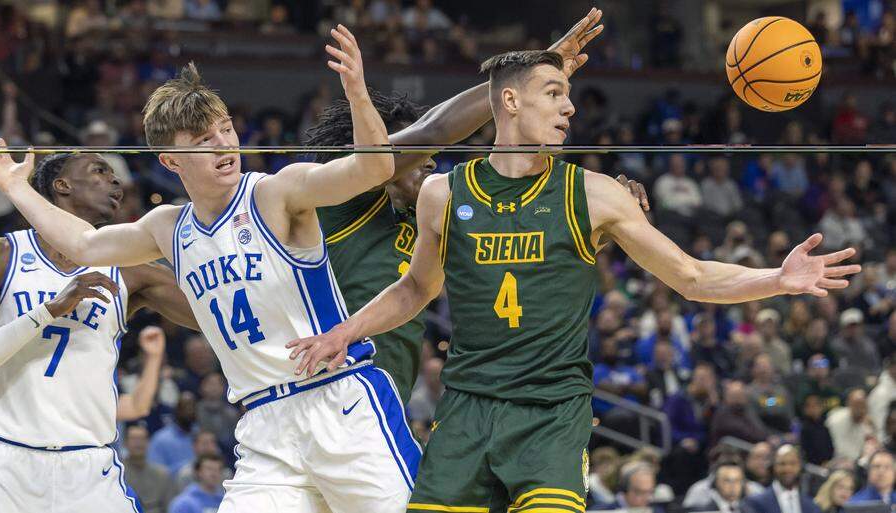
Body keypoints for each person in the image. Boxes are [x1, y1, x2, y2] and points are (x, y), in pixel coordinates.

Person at [287, 48, 860, 512]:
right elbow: (415, 289)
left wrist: (776, 279)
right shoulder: (443, 192)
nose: (569, 110)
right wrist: (344, 332)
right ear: (508, 102)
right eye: (554, 94)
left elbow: (691, 276)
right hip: (465, 408)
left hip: (550, 411)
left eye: (569, 98)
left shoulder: (594, 193)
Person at [0, 25, 424, 513]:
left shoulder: (276, 192)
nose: (223, 144)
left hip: (339, 402)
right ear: (170, 158)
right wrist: (15, 188)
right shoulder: (168, 227)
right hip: (264, 422)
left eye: (227, 129)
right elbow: (85, 244)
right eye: (203, 138)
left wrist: (358, 94)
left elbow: (373, 169)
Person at [303, 7, 611, 400]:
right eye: (414, 156)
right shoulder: (344, 199)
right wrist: (525, 84)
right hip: (325, 376)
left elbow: (528, 246)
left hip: (384, 396)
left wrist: (602, 218)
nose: (429, 162)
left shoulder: (435, 217)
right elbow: (435, 130)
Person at [0, 152, 194, 512]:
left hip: (91, 467)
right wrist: (47, 312)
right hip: (10, 465)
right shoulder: (1, 255)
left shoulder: (130, 268)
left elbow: (213, 313)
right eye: (99, 171)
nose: (116, 181)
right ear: (62, 185)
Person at [741, 445, 819, 513]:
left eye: (793, 463)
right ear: (773, 466)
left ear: (800, 467)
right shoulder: (756, 502)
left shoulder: (812, 506)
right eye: (782, 463)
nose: (788, 469)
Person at [122, 424, 177, 513]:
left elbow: (170, 507)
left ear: (148, 443)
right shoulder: (117, 474)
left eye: (142, 439)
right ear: (125, 443)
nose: (138, 443)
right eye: (134, 439)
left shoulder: (162, 475)